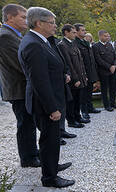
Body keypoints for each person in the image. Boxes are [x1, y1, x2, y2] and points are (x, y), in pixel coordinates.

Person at [18, 7, 74, 188]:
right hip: (44, 103)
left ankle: (52, 166)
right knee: (49, 139)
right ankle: (49, 178)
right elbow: (39, 81)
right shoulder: (33, 44)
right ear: (38, 23)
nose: (55, 26)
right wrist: (52, 108)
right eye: (51, 22)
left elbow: (47, 69)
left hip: (49, 97)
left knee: (52, 138)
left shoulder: (39, 41)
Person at [0, 4, 40, 168]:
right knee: (25, 123)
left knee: (29, 122)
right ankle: (28, 158)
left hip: (23, 86)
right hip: (19, 88)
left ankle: (33, 153)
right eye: (23, 17)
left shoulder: (14, 35)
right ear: (10, 17)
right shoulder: (5, 36)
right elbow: (20, 64)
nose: (26, 20)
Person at [58, 24, 90, 127]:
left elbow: (80, 62)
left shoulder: (73, 43)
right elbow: (69, 64)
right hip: (73, 78)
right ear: (66, 33)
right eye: (73, 32)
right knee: (72, 101)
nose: (75, 34)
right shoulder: (63, 45)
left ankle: (78, 116)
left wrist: (83, 75)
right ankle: (71, 121)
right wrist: (75, 79)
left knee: (78, 99)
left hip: (80, 76)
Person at [73, 23, 100, 119]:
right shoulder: (75, 43)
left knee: (89, 91)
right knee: (83, 93)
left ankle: (90, 107)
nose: (85, 31)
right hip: (82, 72)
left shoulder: (85, 42)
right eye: (82, 30)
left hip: (90, 70)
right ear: (76, 32)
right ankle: (83, 111)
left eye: (84, 30)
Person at [93, 30, 116, 111]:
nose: (107, 37)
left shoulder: (110, 45)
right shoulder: (96, 46)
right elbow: (98, 60)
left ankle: (113, 103)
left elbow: (115, 56)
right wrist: (109, 67)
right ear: (100, 36)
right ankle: (107, 105)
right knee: (104, 89)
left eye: (108, 36)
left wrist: (114, 65)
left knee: (113, 88)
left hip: (113, 70)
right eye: (105, 36)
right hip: (103, 71)